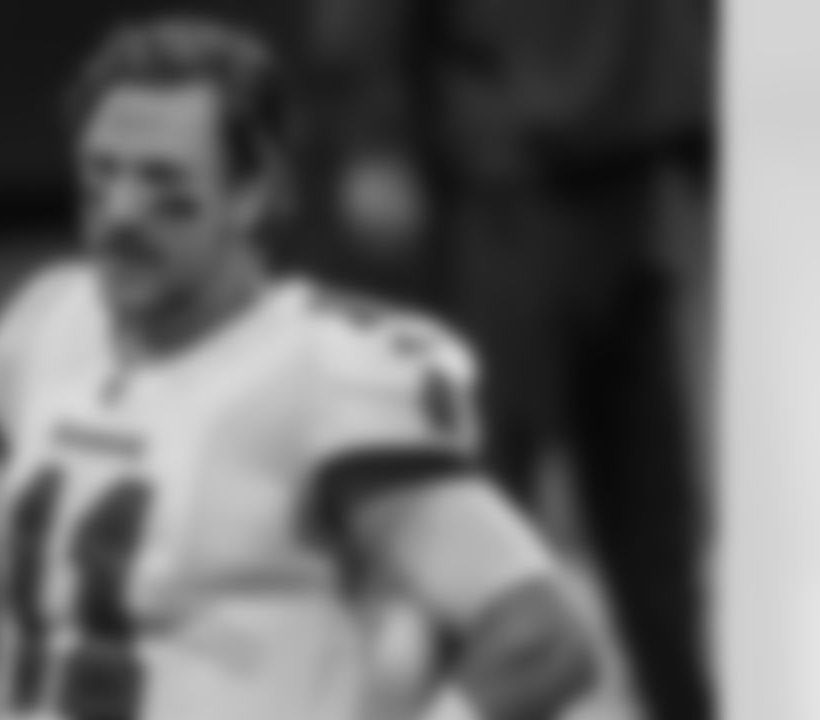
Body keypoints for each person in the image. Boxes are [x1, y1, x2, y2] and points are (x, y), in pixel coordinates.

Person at [0, 16, 596, 720]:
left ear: (252, 193)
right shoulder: (47, 323)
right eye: (102, 174)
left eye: (162, 181)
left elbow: (543, 639)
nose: (119, 213)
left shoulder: (324, 373)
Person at [303, 0, 715, 718]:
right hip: (509, 172)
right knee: (489, 503)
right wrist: (375, 135)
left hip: (632, 167)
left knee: (655, 520)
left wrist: (707, 120)